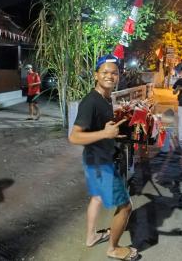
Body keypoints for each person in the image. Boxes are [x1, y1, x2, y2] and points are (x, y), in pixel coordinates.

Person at [69, 54, 138, 261]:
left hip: (95, 159)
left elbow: (105, 127)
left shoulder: (106, 98)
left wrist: (115, 133)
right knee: (126, 206)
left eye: (114, 73)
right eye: (105, 72)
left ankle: (91, 237)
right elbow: (74, 136)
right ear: (96, 75)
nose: (110, 76)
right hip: (100, 163)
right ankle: (113, 249)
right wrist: (105, 134)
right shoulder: (91, 101)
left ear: (118, 76)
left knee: (97, 198)